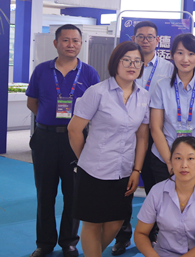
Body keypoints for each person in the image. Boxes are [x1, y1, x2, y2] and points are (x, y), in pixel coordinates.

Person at [67, 41, 150, 257]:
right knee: (92, 224)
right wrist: (85, 158)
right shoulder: (97, 92)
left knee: (116, 223)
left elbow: (142, 136)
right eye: (127, 60)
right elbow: (74, 130)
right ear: (115, 62)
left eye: (137, 62)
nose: (132, 65)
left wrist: (137, 170)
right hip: (94, 170)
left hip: (123, 170)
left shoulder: (144, 96)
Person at [26, 24, 100, 257]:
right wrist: (50, 120)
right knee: (45, 193)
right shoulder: (41, 70)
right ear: (56, 43)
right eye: (65, 40)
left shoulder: (89, 73)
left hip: (76, 139)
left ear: (81, 44)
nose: (71, 45)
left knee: (73, 193)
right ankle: (44, 243)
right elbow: (32, 102)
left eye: (75, 40)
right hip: (45, 138)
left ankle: (69, 241)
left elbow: (97, 107)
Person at [113, 20, 174, 256]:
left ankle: (154, 234)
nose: (145, 40)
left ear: (158, 41)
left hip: (156, 137)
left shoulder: (169, 68)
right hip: (128, 135)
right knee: (125, 189)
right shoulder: (126, 65)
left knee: (156, 189)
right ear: (133, 39)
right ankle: (122, 236)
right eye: (140, 36)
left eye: (150, 37)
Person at [134, 137, 195, 257]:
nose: (184, 165)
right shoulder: (157, 191)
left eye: (190, 158)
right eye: (178, 158)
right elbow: (140, 233)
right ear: (170, 160)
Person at [149, 34, 195, 184]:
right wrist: (170, 162)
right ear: (172, 55)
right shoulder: (161, 86)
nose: (185, 59)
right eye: (180, 53)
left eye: (191, 54)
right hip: (164, 159)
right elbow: (156, 128)